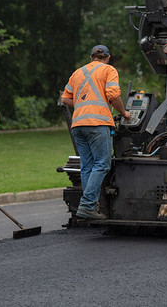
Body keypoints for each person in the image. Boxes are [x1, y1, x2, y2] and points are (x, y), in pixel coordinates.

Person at [61, 44, 130, 221]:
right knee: (102, 164)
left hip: (78, 124)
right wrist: (124, 113)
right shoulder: (109, 70)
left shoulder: (78, 72)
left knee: (87, 166)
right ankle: (87, 205)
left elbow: (65, 98)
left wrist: (83, 107)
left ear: (91, 57)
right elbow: (113, 95)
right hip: (97, 123)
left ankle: (91, 205)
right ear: (107, 57)